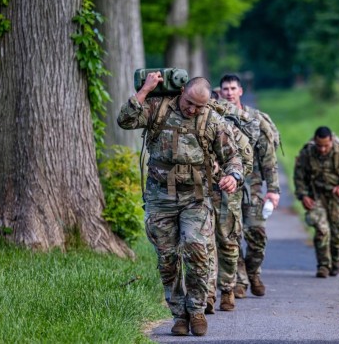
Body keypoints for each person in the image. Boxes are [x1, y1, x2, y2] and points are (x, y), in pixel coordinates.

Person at [117, 73, 244, 337]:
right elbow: (125, 120)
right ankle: (178, 314)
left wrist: (233, 176)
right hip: (159, 196)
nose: (192, 109)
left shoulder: (211, 120)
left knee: (197, 250)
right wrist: (146, 90)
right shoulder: (158, 107)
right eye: (189, 102)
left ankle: (196, 310)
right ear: (182, 91)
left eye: (199, 106)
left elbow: (233, 156)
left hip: (195, 197)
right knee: (167, 259)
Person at [219, 74, 280, 298]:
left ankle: (253, 272)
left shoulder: (255, 119)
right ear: (220, 91)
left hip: (252, 188)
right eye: (225, 89)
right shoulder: (215, 118)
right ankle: (240, 280)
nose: (229, 92)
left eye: (233, 88)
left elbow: (268, 159)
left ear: (240, 91)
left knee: (257, 234)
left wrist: (273, 190)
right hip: (226, 189)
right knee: (230, 237)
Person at [205, 95, 255, 313]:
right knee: (204, 244)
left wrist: (230, 176)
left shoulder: (230, 130)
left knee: (227, 242)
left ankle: (227, 290)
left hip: (227, 195)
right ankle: (207, 293)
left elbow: (247, 163)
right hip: (200, 192)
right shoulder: (193, 129)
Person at [293, 126, 339, 278]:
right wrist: (303, 196)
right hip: (316, 196)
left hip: (334, 196)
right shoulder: (308, 153)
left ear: (331, 142)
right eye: (319, 145)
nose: (322, 149)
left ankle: (335, 262)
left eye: (326, 146)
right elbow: (299, 176)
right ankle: (323, 265)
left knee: (338, 232)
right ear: (315, 142)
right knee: (322, 230)